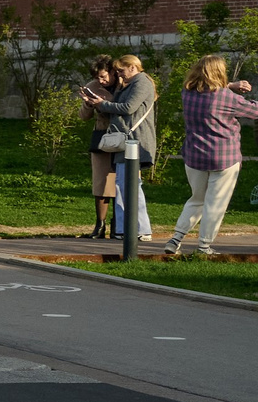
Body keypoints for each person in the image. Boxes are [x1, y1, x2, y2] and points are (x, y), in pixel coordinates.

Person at [172, 57, 258, 257]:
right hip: (223, 157)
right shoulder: (227, 97)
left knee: (196, 199)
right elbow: (254, 111)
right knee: (215, 204)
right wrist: (232, 87)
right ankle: (204, 246)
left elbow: (206, 87)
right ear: (219, 72)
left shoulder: (187, 93)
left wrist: (231, 85)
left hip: (194, 156)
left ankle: (176, 238)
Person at [89, 54, 160, 243]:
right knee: (121, 185)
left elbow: (128, 107)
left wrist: (102, 104)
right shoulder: (127, 84)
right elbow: (116, 105)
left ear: (132, 67)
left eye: (121, 70)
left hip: (136, 141)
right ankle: (122, 228)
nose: (119, 74)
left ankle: (142, 228)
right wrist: (99, 102)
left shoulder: (142, 82)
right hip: (125, 141)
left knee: (131, 186)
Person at [81, 55, 122, 237]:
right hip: (102, 135)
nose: (101, 80)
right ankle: (100, 224)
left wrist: (105, 104)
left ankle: (118, 224)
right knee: (101, 181)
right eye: (97, 77)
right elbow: (83, 116)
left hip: (124, 135)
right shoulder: (92, 87)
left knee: (122, 182)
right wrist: (89, 104)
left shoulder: (126, 84)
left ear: (113, 72)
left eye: (104, 76)